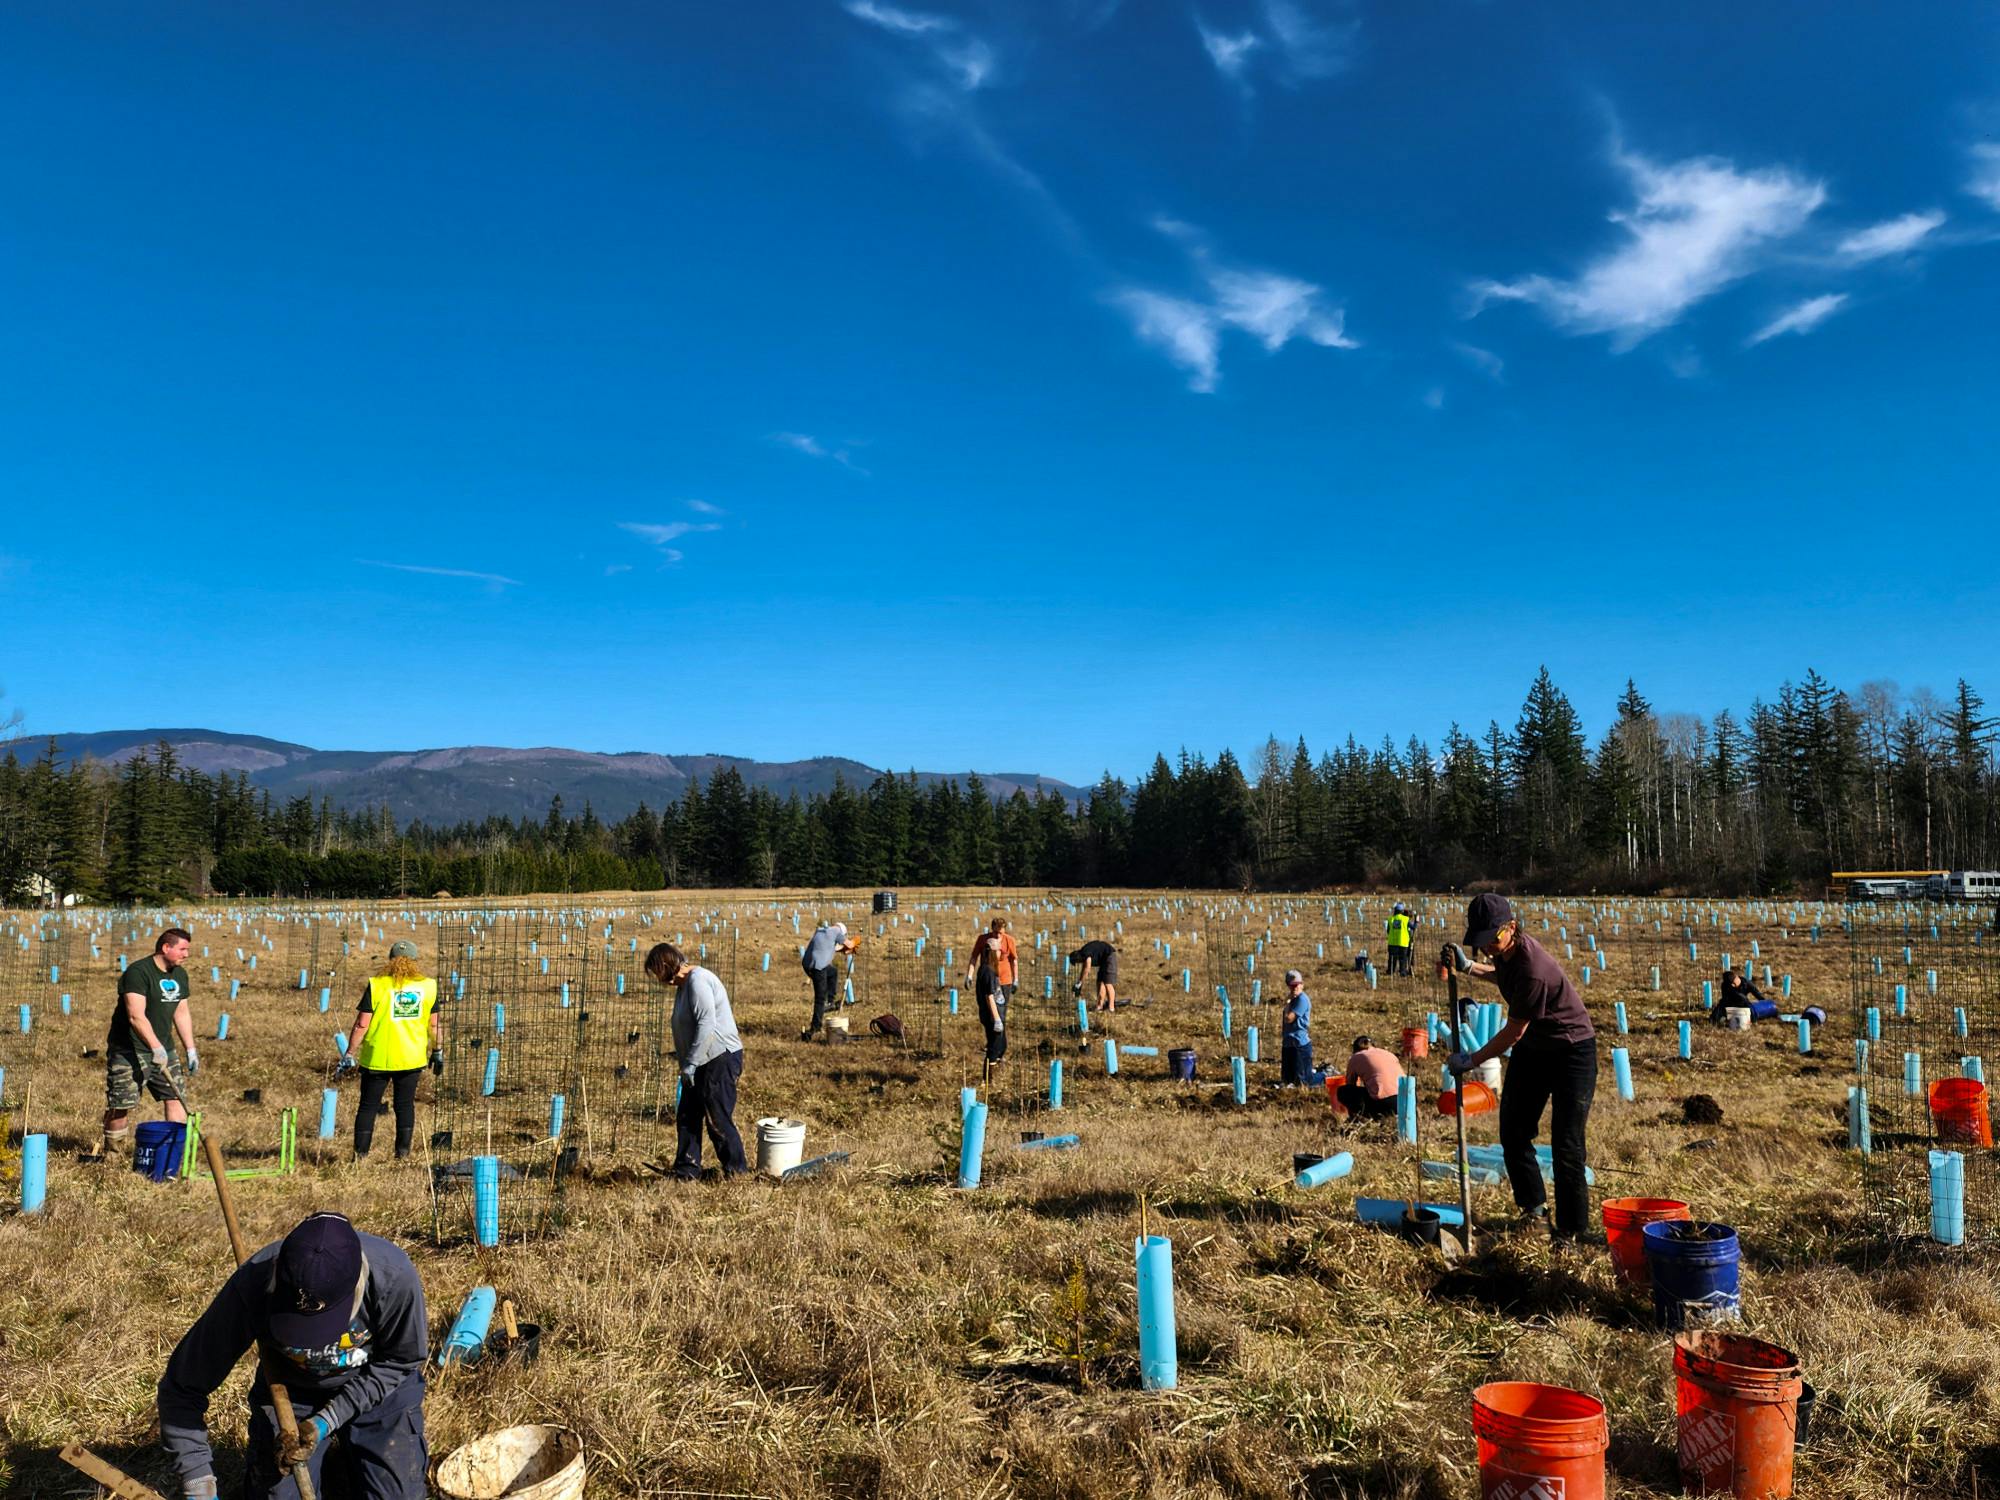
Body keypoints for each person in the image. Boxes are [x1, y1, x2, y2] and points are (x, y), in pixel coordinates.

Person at [159, 1211, 428, 1500]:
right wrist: (199, 1484)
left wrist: (328, 1419)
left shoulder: (393, 1277)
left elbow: (401, 1360)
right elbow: (182, 1386)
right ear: (276, 1276)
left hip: (380, 1388)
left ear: (358, 1289)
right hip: (292, 1391)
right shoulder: (252, 1283)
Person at [1443, 893, 1598, 1245]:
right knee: (1513, 1131)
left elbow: (1514, 1032)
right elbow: (1502, 975)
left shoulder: (1534, 969)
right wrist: (1470, 968)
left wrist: (1471, 1060)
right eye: (1481, 943)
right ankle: (1535, 1213)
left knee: (1567, 1145)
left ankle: (1573, 1233)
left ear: (1511, 928)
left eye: (1492, 941)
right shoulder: (1509, 952)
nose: (1487, 949)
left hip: (1572, 1052)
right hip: (1536, 1049)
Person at [646, 941, 747, 1180]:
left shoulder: (698, 981)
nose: (658, 979)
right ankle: (686, 1170)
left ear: (667, 965)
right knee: (688, 1115)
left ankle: (737, 1171)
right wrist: (689, 1063)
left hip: (719, 1059)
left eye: (658, 972)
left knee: (717, 1119)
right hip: (699, 1061)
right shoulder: (684, 986)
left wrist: (691, 1063)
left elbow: (707, 1024)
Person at [339, 940, 443, 1160]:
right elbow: (434, 1025)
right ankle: (402, 1154)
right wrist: (437, 1050)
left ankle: (360, 1156)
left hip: (377, 1058)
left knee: (367, 1107)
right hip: (411, 1059)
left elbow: (361, 1024)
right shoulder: (428, 986)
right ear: (415, 961)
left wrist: (349, 1053)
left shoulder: (377, 985)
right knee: (405, 1106)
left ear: (389, 960)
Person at [102, 927, 198, 1156]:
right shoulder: (138, 973)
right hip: (129, 1050)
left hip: (164, 1049)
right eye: (182, 949)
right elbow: (136, 1016)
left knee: (175, 1098)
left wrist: (190, 1049)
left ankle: (175, 1154)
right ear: (166, 947)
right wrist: (155, 1047)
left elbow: (181, 1012)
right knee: (121, 1105)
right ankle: (113, 1154)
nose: (187, 954)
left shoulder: (179, 975)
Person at [965, 917, 1018, 1079]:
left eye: (1000, 933)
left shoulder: (1009, 941)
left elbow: (1014, 960)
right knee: (993, 1017)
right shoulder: (984, 941)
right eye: (995, 932)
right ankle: (993, 1052)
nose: (997, 936)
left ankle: (998, 1049)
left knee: (1000, 1014)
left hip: (1004, 982)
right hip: (990, 982)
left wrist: (1016, 979)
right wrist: (969, 975)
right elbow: (974, 957)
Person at [799, 919, 859, 1041]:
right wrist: (857, 940)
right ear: (842, 932)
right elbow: (850, 945)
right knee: (820, 999)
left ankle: (830, 1001)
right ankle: (815, 1028)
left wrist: (842, 949)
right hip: (817, 968)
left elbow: (829, 947)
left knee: (832, 972)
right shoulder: (837, 932)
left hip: (808, 965)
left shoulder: (822, 931)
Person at [1336, 1034, 1403, 1118]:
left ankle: (1359, 1118)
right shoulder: (1389, 1054)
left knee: (1343, 1091)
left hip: (1386, 1104)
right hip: (1406, 1101)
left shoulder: (1356, 1057)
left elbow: (1350, 1084)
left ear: (1355, 1049)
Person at [1280, 968, 1320, 1086]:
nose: (1295, 988)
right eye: (1292, 986)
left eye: (1297, 985)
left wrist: (1287, 1002)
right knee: (1287, 1080)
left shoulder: (1302, 1000)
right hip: (1288, 1043)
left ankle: (1325, 1075)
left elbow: (1289, 1018)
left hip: (1299, 1045)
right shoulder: (1293, 999)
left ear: (1302, 984)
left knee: (1303, 1081)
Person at [1068, 937, 1119, 1012]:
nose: (1079, 963)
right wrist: (1080, 982)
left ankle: (1111, 1008)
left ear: (1077, 958)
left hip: (1109, 956)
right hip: (1103, 961)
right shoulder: (1084, 953)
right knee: (1100, 982)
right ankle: (1099, 1006)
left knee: (1108, 983)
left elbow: (1087, 968)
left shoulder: (1085, 953)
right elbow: (1084, 969)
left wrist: (1080, 983)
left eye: (1077, 962)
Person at [1384, 903, 1414, 978]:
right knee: (1402, 958)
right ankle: (1402, 972)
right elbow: (1413, 927)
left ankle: (1390, 971)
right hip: (1403, 942)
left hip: (1392, 942)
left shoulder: (1391, 919)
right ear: (1402, 911)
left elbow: (1388, 930)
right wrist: (1417, 921)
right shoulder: (1405, 919)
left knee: (1392, 958)